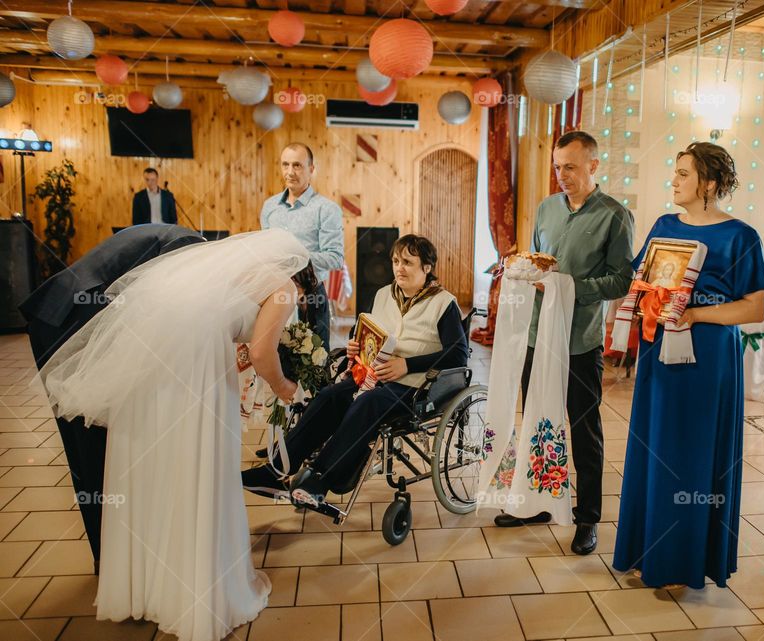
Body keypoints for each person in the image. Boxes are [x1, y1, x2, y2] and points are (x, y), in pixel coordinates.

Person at [38, 229, 310, 641]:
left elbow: (216, 321)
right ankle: (197, 598)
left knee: (157, 470)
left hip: (153, 362)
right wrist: (284, 387)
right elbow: (260, 353)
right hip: (193, 372)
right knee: (195, 472)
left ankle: (145, 589)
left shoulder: (226, 267)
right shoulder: (285, 288)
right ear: (302, 279)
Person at [612, 142, 764, 588]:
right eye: (676, 172)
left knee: (695, 452)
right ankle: (648, 551)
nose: (675, 180)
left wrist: (697, 313)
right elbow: (642, 277)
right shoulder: (664, 225)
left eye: (684, 173)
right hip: (658, 351)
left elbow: (755, 308)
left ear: (711, 184)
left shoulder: (741, 236)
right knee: (656, 447)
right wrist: (645, 297)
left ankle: (686, 561)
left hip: (708, 358)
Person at [18, 223, 203, 571]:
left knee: (84, 439)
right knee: (92, 436)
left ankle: (109, 551)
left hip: (56, 311)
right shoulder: (189, 247)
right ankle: (114, 555)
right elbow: (162, 312)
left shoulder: (178, 236)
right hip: (75, 318)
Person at [241, 234, 468, 503]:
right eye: (396, 261)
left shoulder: (444, 303)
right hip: (372, 375)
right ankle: (276, 468)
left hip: (417, 386)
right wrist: (354, 346)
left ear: (427, 268)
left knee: (367, 404)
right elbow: (363, 330)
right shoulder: (383, 294)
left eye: (407, 262)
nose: (399, 268)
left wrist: (406, 364)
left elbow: (458, 354)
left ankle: (319, 479)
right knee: (330, 396)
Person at [493, 130, 634, 556]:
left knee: (584, 431)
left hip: (578, 342)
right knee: (537, 419)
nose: (561, 175)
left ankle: (587, 516)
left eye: (569, 167)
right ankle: (538, 501)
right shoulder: (546, 208)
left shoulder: (615, 216)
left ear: (593, 165)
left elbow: (621, 280)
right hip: (538, 334)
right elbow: (540, 261)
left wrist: (567, 287)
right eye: (557, 166)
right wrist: (522, 269)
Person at [261, 142, 344, 349]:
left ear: (311, 169)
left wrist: (295, 258)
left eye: (297, 165)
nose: (290, 172)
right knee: (277, 364)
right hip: (274, 295)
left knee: (315, 370)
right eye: (285, 165)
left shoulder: (326, 209)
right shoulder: (269, 207)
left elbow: (335, 258)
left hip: (311, 297)